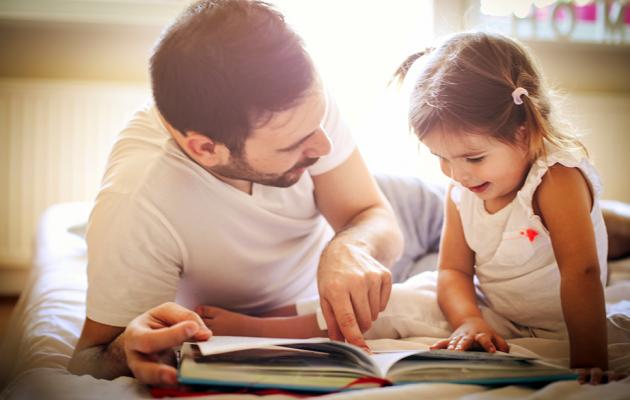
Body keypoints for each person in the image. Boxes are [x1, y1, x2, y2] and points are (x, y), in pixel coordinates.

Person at [198, 31, 630, 385]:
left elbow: (583, 272)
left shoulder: (554, 180)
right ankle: (258, 324)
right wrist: (469, 322)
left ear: (527, 129)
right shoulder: (462, 191)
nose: (458, 174)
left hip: (570, 322)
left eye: (474, 158)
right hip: (494, 311)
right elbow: (453, 272)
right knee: (391, 298)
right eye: (441, 158)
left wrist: (589, 356)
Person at [67, 0, 408, 386]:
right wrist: (124, 348)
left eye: (320, 121)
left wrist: (350, 247)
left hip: (345, 260)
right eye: (293, 145)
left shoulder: (298, 109)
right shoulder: (139, 201)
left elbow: (376, 217)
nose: (324, 147)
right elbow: (87, 362)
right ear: (205, 149)